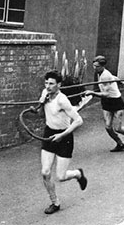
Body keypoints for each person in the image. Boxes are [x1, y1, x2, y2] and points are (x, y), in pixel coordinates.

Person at [36, 70, 87, 215]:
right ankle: (55, 202)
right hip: (49, 134)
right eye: (46, 83)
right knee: (45, 172)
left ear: (59, 85)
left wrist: (62, 135)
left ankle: (78, 174)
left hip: (64, 137)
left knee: (61, 176)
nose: (48, 86)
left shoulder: (62, 100)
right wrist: (40, 104)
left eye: (51, 84)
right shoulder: (44, 93)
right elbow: (43, 114)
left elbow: (78, 121)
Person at [84, 56, 124, 152]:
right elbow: (112, 77)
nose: (95, 68)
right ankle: (120, 143)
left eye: (97, 66)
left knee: (118, 128)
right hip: (106, 102)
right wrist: (118, 80)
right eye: (94, 66)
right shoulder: (101, 73)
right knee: (108, 127)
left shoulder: (105, 75)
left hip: (116, 101)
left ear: (102, 66)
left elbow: (106, 93)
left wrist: (92, 93)